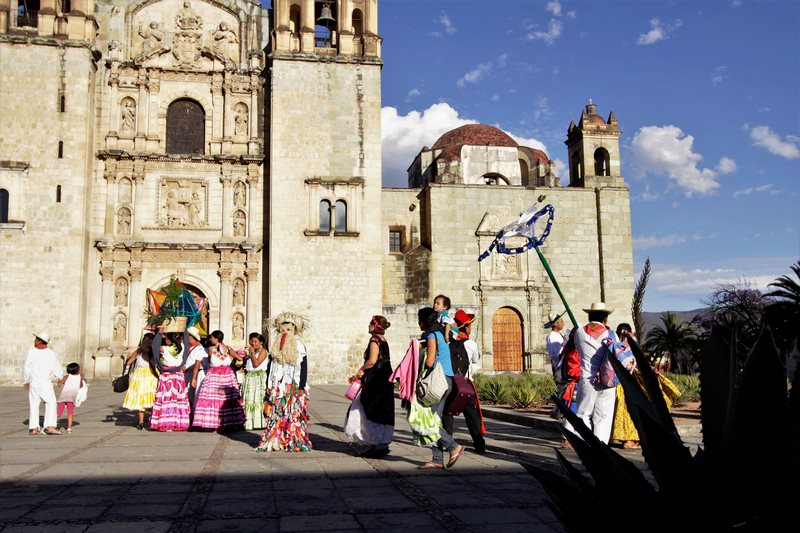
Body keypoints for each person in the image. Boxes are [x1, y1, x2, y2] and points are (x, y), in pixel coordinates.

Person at [610, 323, 681, 449]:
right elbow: (632, 365)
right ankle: (629, 441)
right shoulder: (626, 347)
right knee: (628, 411)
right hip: (627, 383)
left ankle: (625, 439)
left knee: (620, 411)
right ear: (628, 332)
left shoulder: (612, 344)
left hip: (616, 383)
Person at [255, 312, 312, 452]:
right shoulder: (275, 347)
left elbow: (303, 367)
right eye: (282, 330)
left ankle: (294, 440)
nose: (285, 332)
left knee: (293, 414)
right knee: (277, 413)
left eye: (289, 330)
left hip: (293, 385)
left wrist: (302, 386)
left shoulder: (299, 346)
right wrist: (269, 385)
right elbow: (271, 367)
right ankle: (275, 439)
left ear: (294, 331)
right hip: (278, 387)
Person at [416, 307, 464, 470]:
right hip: (447, 380)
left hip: (438, 381)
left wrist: (419, 353)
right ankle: (437, 459)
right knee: (435, 420)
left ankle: (453, 447)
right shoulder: (442, 333)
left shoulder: (431, 335)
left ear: (423, 321)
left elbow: (429, 362)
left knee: (428, 421)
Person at [344, 315, 395, 458]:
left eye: (370, 324)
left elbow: (372, 361)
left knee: (368, 408)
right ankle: (381, 443)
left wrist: (359, 372)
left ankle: (375, 442)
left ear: (375, 326)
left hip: (375, 379)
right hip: (385, 378)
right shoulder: (383, 340)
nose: (368, 326)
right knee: (382, 409)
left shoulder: (374, 340)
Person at [571, 302, 619, 444]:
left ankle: (583, 444)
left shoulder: (579, 333)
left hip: (587, 379)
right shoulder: (611, 334)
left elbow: (577, 348)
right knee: (603, 417)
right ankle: (601, 448)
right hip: (607, 381)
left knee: (583, 414)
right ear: (605, 319)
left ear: (589, 316)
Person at [441, 310, 486, 454]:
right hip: (465, 383)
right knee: (471, 415)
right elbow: (475, 361)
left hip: (449, 380)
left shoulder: (447, 340)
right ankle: (479, 443)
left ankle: (448, 443)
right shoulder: (470, 344)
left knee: (448, 413)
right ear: (466, 327)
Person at [192, 344, 246, 431]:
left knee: (219, 399)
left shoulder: (220, 348)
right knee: (214, 399)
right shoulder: (213, 348)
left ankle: (218, 423)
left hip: (219, 375)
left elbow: (240, 358)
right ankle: (214, 423)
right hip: (218, 376)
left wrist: (235, 364)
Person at [23, 332, 63, 436]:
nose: (34, 341)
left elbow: (26, 368)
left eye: (36, 339)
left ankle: (33, 428)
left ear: (40, 341)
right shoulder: (50, 353)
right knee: (51, 403)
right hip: (45, 383)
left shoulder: (31, 352)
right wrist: (60, 377)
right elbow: (56, 367)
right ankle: (49, 426)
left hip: (34, 383)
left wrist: (26, 381)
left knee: (34, 404)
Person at [149, 330, 191, 431]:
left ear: (169, 340)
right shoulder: (182, 347)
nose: (165, 340)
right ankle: (179, 421)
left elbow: (154, 347)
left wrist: (158, 334)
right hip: (178, 376)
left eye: (166, 338)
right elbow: (185, 339)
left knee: (167, 399)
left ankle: (167, 422)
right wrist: (184, 330)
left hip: (167, 376)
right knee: (177, 399)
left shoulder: (164, 349)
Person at [123, 332, 159, 430]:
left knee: (141, 399)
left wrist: (129, 358)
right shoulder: (155, 351)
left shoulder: (139, 351)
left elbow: (128, 362)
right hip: (151, 375)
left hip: (139, 376)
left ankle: (141, 422)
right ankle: (153, 419)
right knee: (152, 397)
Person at [241, 332, 269, 430]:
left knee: (257, 399)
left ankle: (259, 422)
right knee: (249, 399)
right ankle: (249, 422)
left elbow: (256, 363)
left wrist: (252, 352)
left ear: (261, 342)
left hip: (258, 378)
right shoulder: (251, 353)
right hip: (250, 378)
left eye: (256, 341)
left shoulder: (263, 351)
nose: (253, 344)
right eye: (252, 341)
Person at [183, 326, 208, 421]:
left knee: (192, 396)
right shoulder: (189, 348)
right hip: (188, 373)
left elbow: (195, 363)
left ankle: (193, 417)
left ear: (192, 337)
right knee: (188, 395)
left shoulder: (199, 349)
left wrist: (184, 367)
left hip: (194, 373)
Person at [56, 362, 84, 434]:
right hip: (71, 398)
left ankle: (53, 424)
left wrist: (59, 380)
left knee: (59, 413)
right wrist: (81, 378)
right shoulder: (79, 377)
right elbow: (81, 386)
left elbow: (59, 384)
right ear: (77, 370)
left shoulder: (67, 376)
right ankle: (69, 428)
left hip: (63, 397)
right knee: (70, 413)